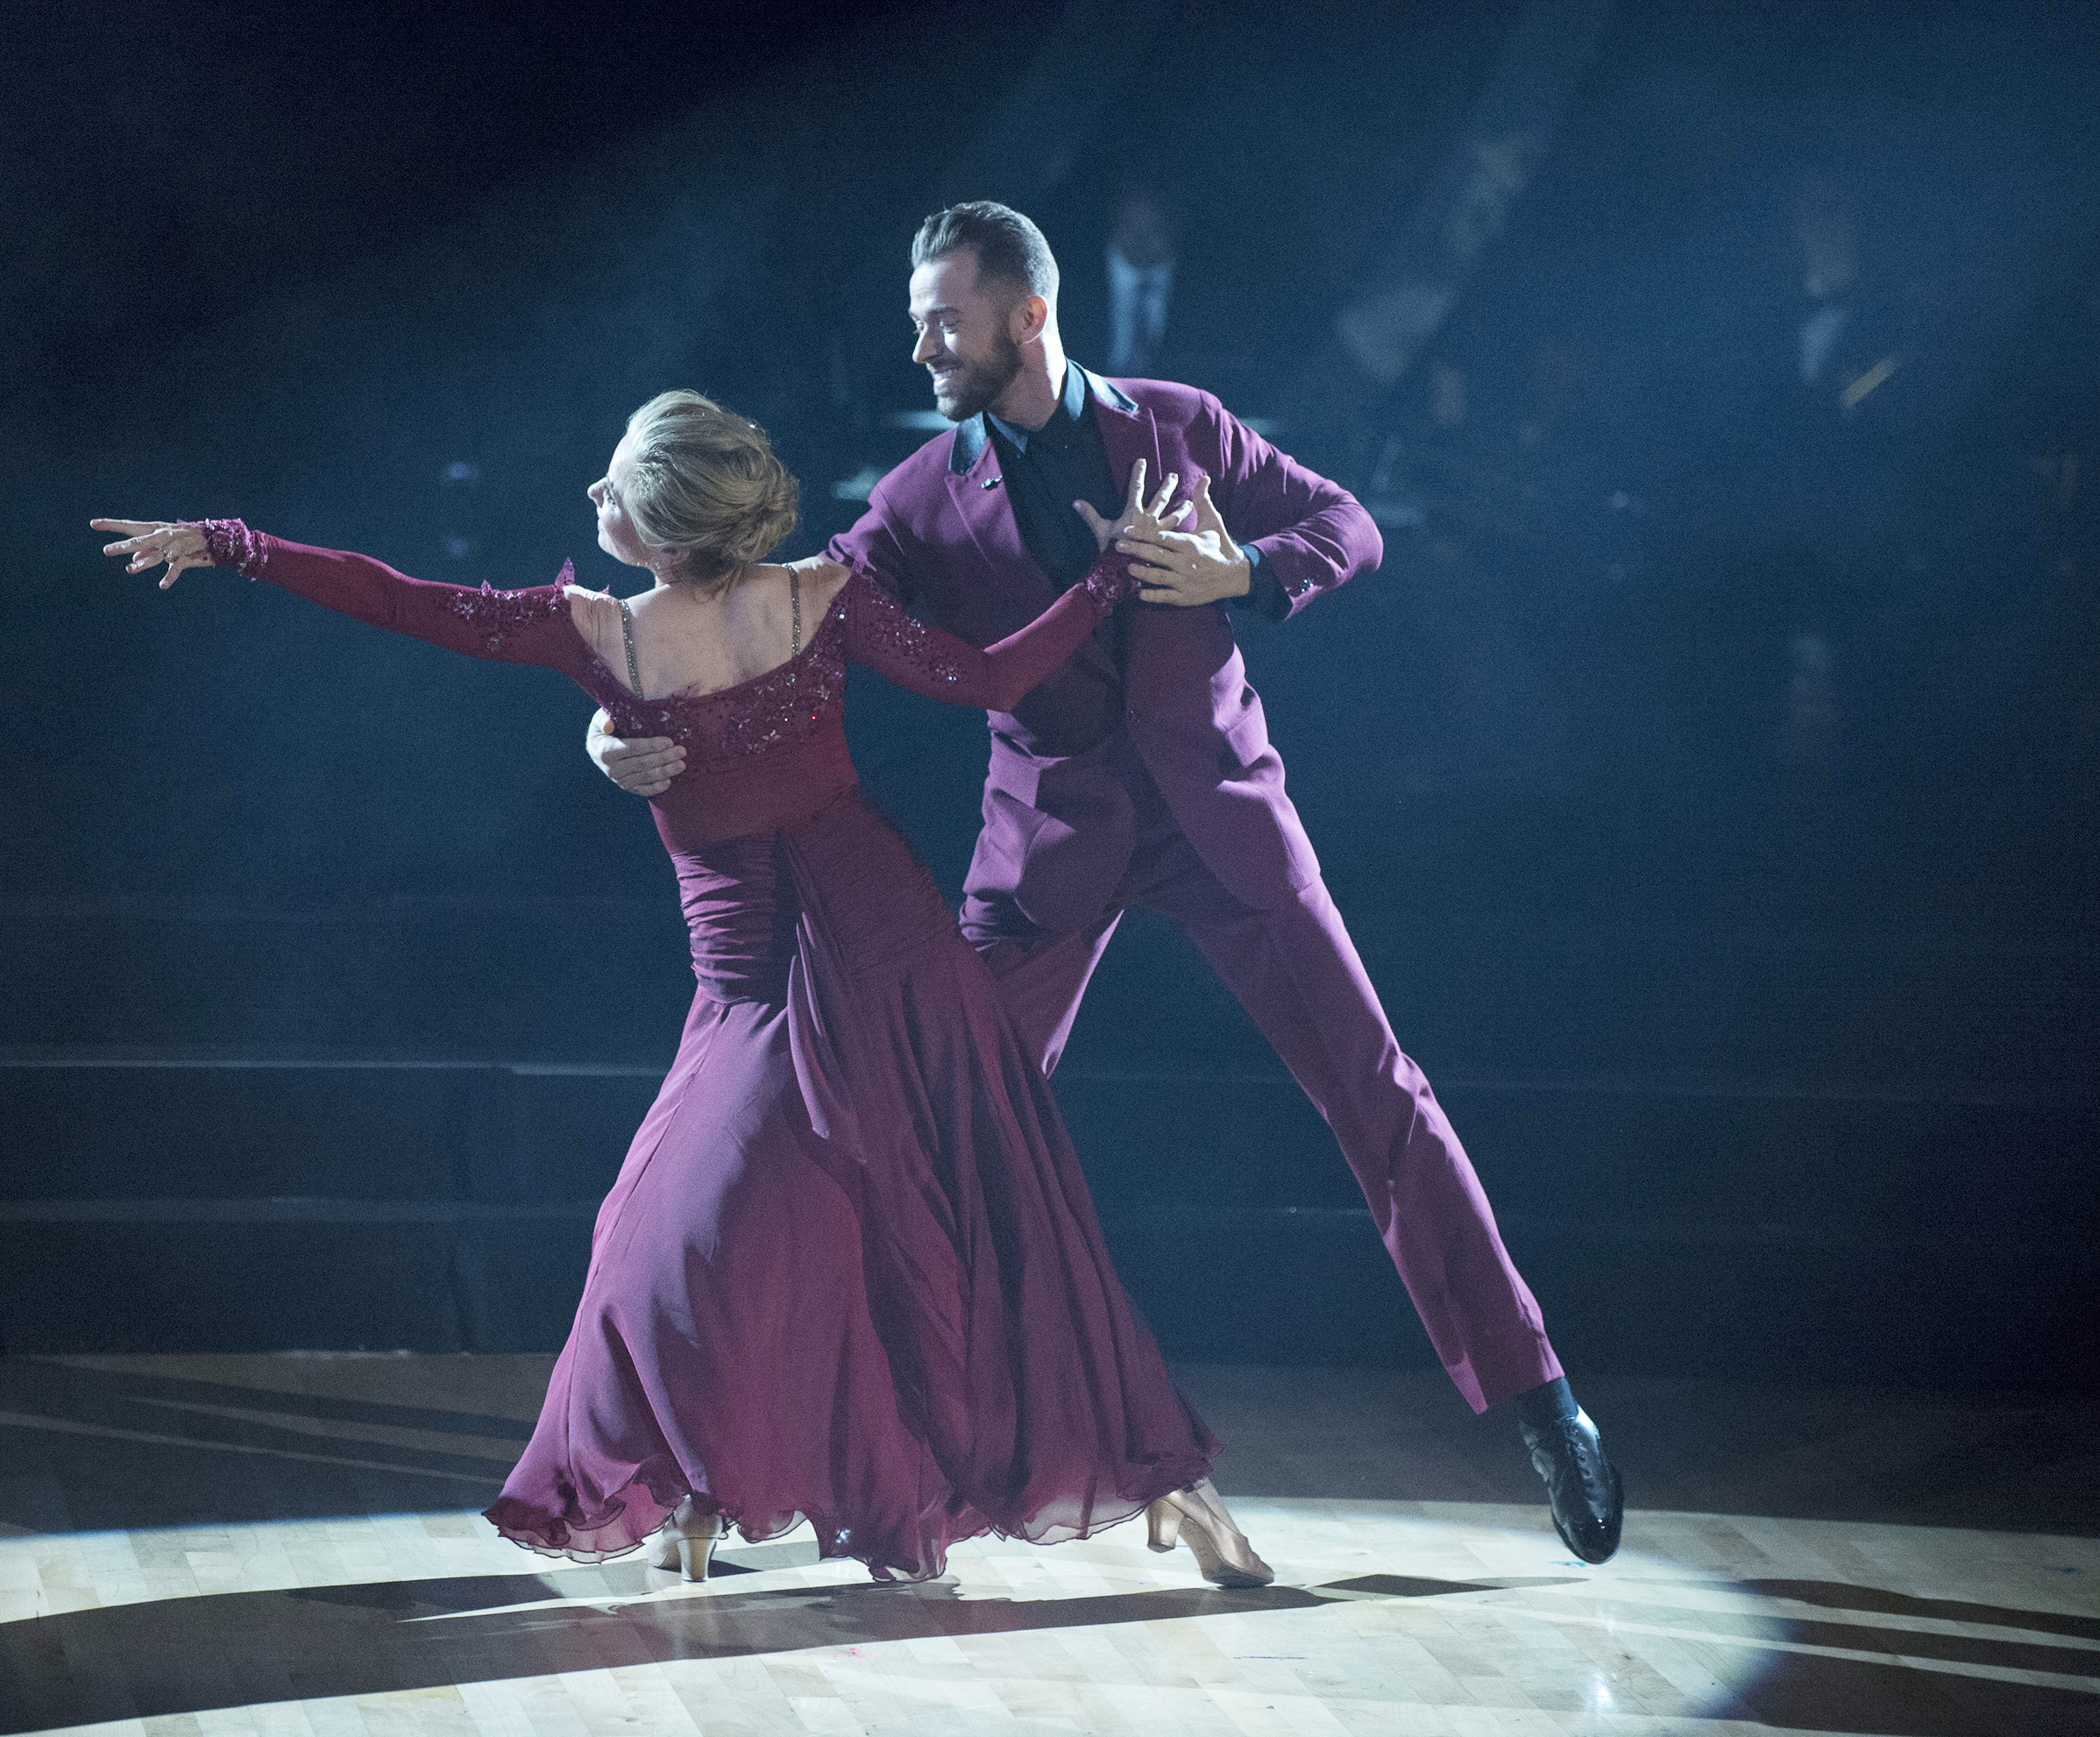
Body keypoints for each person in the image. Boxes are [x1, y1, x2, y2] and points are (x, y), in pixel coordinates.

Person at [91, 390, 1273, 1588]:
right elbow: (980, 676)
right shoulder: (659, 621)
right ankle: (736, 1483)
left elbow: (980, 679)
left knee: (952, 1210)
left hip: (869, 943)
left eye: (612, 484)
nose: (594, 497)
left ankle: (1154, 1478)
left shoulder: (702, 614)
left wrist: (1111, 581)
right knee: (712, 1230)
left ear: (660, 523)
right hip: (767, 964)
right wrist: (234, 544)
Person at [589, 203, 1624, 1564]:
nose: (920, 345)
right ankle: (833, 1445)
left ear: (1026, 314)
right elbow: (778, 617)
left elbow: (1348, 524)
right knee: (907, 1133)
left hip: (1229, 827)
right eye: (917, 319)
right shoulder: (917, 497)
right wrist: (621, 716)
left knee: (1380, 1094)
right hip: (1045, 857)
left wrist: (1240, 568)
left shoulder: (1180, 423)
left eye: (942, 318)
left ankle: (1544, 1402)